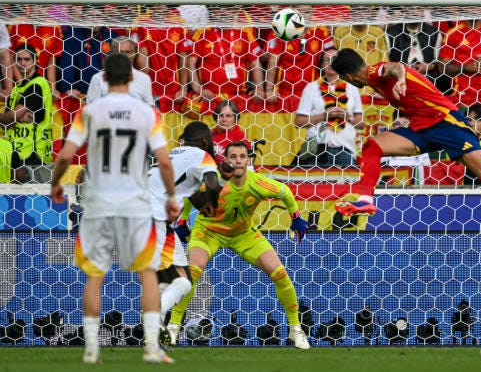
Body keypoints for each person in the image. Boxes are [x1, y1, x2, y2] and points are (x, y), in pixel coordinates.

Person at [50, 52, 181, 364]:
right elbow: (163, 160)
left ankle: (92, 349)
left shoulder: (91, 111)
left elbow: (67, 154)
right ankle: (151, 347)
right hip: (135, 202)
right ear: (133, 78)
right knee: (147, 273)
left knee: (95, 275)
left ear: (103, 79)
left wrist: (55, 183)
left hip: (98, 200)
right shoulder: (148, 113)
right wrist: (172, 197)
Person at [167, 141, 312, 349]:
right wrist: (182, 222)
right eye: (233, 157)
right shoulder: (212, 180)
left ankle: (295, 329)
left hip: (243, 234)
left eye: (242, 157)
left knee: (279, 273)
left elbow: (285, 192)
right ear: (226, 160)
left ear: (248, 160)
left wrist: (296, 217)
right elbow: (190, 194)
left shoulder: (257, 183)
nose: (237, 161)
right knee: (193, 272)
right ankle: (173, 327)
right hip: (208, 232)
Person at [330, 48, 481, 216]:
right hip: (422, 128)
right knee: (372, 147)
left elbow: (396, 67)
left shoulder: (373, 72)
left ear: (349, 77)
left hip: (446, 123)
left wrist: (401, 79)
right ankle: (366, 199)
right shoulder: (374, 80)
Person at [148, 121, 222, 344]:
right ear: (205, 141)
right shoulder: (202, 156)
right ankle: (154, 318)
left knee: (171, 279)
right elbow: (211, 183)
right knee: (183, 281)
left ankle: (155, 326)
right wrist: (214, 205)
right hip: (155, 217)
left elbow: (185, 190)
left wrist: (201, 204)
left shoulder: (173, 154)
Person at [293, 47, 364, 167]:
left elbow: (361, 123)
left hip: (344, 150)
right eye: (327, 60)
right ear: (320, 65)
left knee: (346, 185)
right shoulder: (311, 88)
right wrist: (324, 116)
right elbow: (298, 122)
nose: (331, 64)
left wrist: (348, 117)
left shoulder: (352, 88)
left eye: (335, 60)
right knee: (313, 184)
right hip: (316, 151)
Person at [1, 44, 54, 183]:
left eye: (26, 59)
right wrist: (15, 117)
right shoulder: (18, 88)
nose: (22, 63)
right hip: (17, 153)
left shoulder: (37, 85)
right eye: (18, 59)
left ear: (35, 61)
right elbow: (6, 123)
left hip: (33, 154)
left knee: (37, 200)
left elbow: (11, 117)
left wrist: (13, 117)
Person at [86, 36, 153, 105]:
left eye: (127, 52)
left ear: (135, 54)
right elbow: (90, 109)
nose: (124, 56)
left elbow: (150, 108)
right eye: (120, 52)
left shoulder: (144, 79)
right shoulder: (98, 78)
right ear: (112, 53)